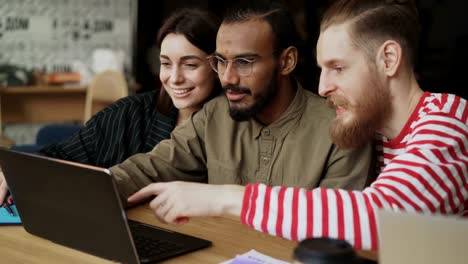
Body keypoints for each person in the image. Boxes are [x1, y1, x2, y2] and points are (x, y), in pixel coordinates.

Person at [126, 0, 468, 250]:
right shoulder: (372, 129)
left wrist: (225, 198)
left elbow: (377, 219)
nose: (322, 87)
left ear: (388, 60)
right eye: (322, 69)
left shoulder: (447, 125)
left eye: (339, 68)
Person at [108, 2, 373, 201]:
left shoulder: (341, 129)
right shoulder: (214, 116)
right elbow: (150, 168)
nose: (228, 77)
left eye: (245, 62)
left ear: (286, 62)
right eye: (221, 61)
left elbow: (336, 225)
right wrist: (96, 188)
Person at [0, 8, 221, 204]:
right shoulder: (127, 114)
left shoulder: (236, 130)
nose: (174, 78)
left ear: (218, 66)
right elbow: (60, 155)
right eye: (165, 63)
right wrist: (13, 173)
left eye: (190, 65)